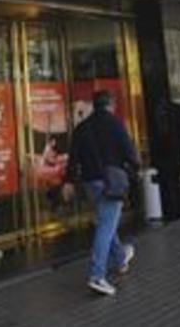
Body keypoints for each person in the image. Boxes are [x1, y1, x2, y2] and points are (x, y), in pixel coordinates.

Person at [61, 91, 139, 297]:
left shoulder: (82, 128)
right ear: (110, 104)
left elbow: (73, 157)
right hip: (111, 183)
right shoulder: (115, 124)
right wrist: (134, 169)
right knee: (106, 226)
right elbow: (130, 152)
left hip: (90, 183)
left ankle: (121, 257)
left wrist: (68, 181)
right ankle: (97, 276)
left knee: (107, 221)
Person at [152, 97, 180, 221]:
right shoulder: (177, 110)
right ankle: (179, 209)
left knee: (167, 182)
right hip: (178, 151)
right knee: (175, 181)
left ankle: (171, 210)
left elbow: (158, 135)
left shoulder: (159, 113)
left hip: (163, 152)